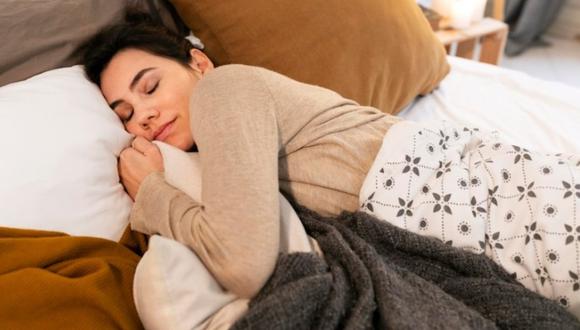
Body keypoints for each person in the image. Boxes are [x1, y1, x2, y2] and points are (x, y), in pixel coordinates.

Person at [80, 13, 400, 298]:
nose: (144, 115)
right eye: (126, 115)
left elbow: (244, 268)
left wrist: (153, 193)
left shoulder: (223, 88)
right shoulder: (214, 157)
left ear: (200, 64)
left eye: (150, 87)